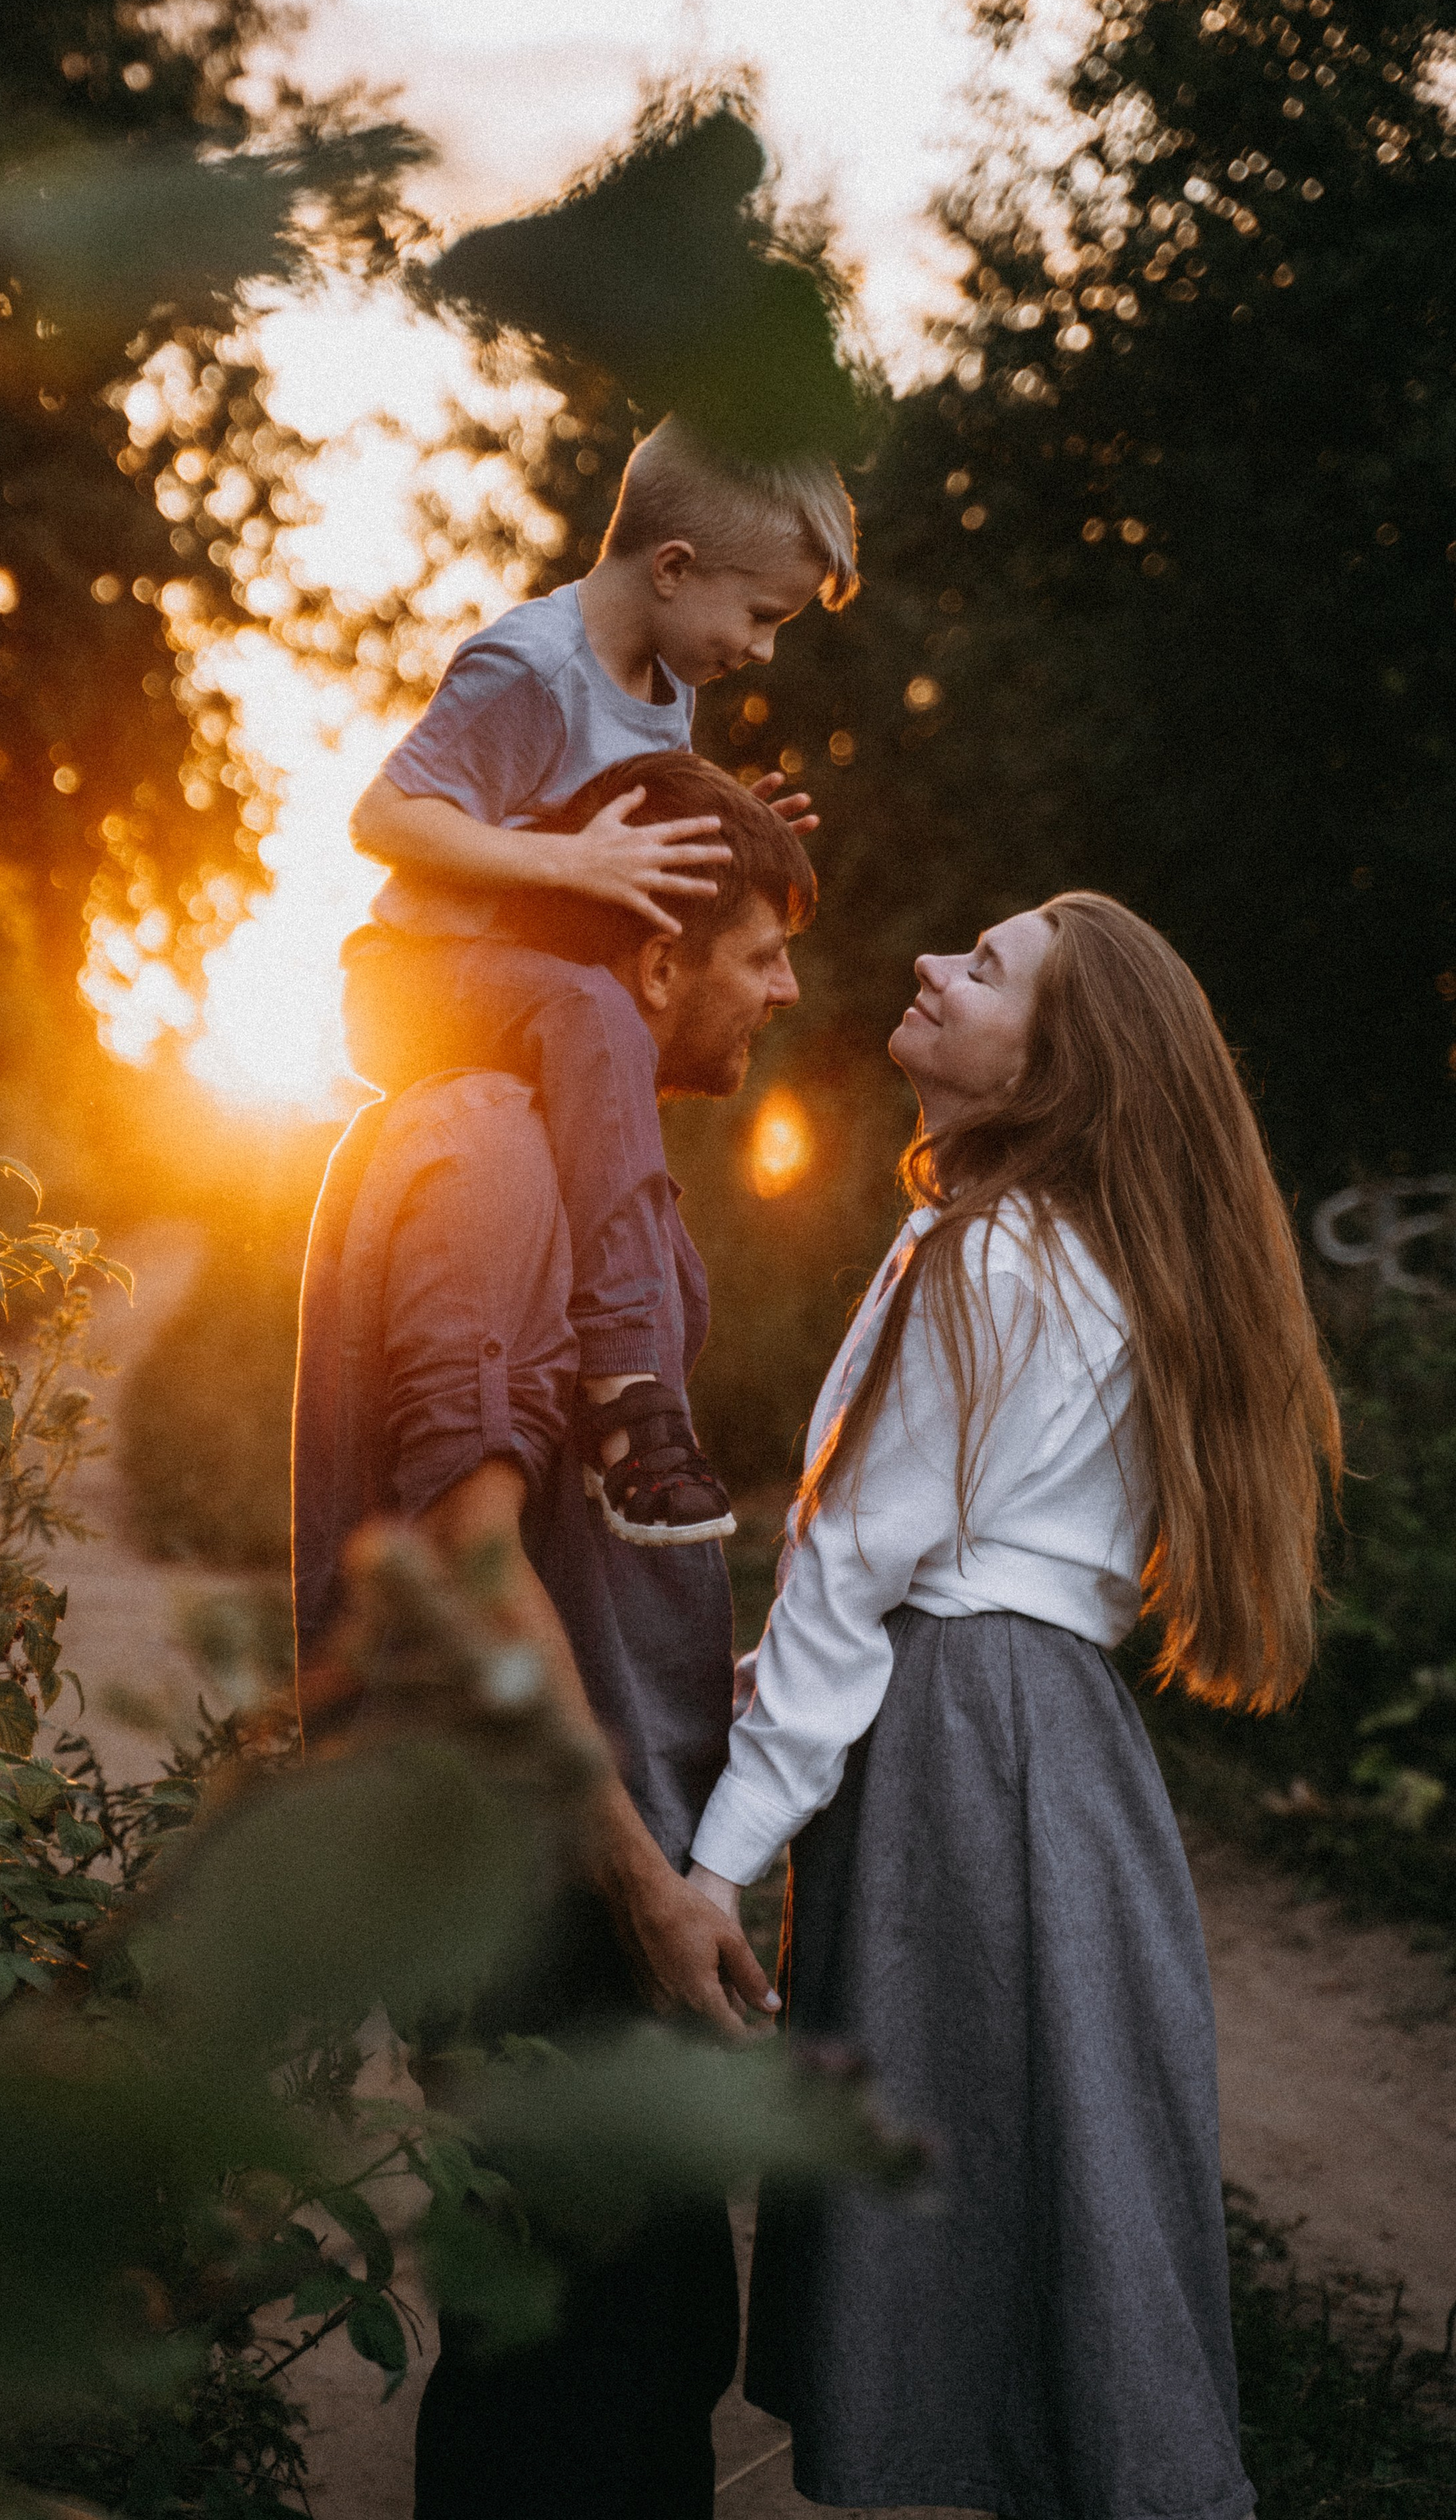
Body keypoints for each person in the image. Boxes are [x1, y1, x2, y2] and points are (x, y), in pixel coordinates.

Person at [684, 891, 1342, 2520]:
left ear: (1058, 1066)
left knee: (1005, 2165)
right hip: (1044, 1737)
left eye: (982, 970)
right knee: (1058, 2159)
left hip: (967, 1742)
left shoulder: (1002, 1253)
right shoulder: (1037, 1239)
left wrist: (714, 1861)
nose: (927, 965)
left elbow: (853, 1571)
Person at [293, 754, 816, 2519]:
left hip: (568, 1870)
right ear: (651, 958)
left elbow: (574, 1556)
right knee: (581, 2396)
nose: (788, 989)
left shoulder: (528, 1139)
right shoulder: (491, 1149)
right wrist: (638, 1879)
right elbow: (464, 1559)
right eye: (757, 952)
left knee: (637, 2352)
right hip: (539, 1895)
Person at [346, 414, 856, 1548]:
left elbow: (612, 835)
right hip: (412, 984)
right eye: (761, 615)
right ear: (673, 568)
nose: (765, 649)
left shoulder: (663, 683)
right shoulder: (530, 665)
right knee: (592, 1009)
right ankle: (626, 1397)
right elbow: (382, 814)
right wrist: (568, 862)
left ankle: (623, 1384)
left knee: (605, 1028)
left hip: (523, 982)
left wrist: (727, 835)